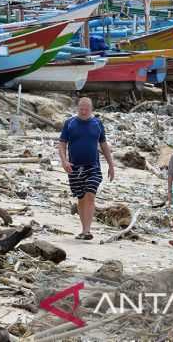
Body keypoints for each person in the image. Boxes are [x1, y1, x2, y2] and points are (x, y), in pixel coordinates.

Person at [58, 97, 115, 241]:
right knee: (81, 198)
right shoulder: (69, 123)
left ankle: (88, 230)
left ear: (91, 109)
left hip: (93, 166)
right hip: (74, 167)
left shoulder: (97, 123)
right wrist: (64, 161)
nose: (83, 111)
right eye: (81, 109)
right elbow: (62, 144)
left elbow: (103, 145)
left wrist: (111, 165)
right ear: (78, 108)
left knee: (90, 195)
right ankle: (83, 230)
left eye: (86, 109)